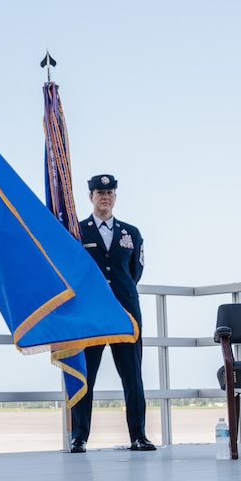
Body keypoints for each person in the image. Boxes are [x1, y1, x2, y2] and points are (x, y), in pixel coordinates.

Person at [70, 174, 154, 452]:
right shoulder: (77, 232)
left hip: (125, 314)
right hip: (91, 315)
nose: (104, 196)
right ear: (90, 197)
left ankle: (138, 436)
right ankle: (79, 437)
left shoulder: (131, 232)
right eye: (99, 192)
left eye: (109, 192)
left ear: (115, 197)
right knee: (86, 376)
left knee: (132, 376)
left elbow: (134, 273)